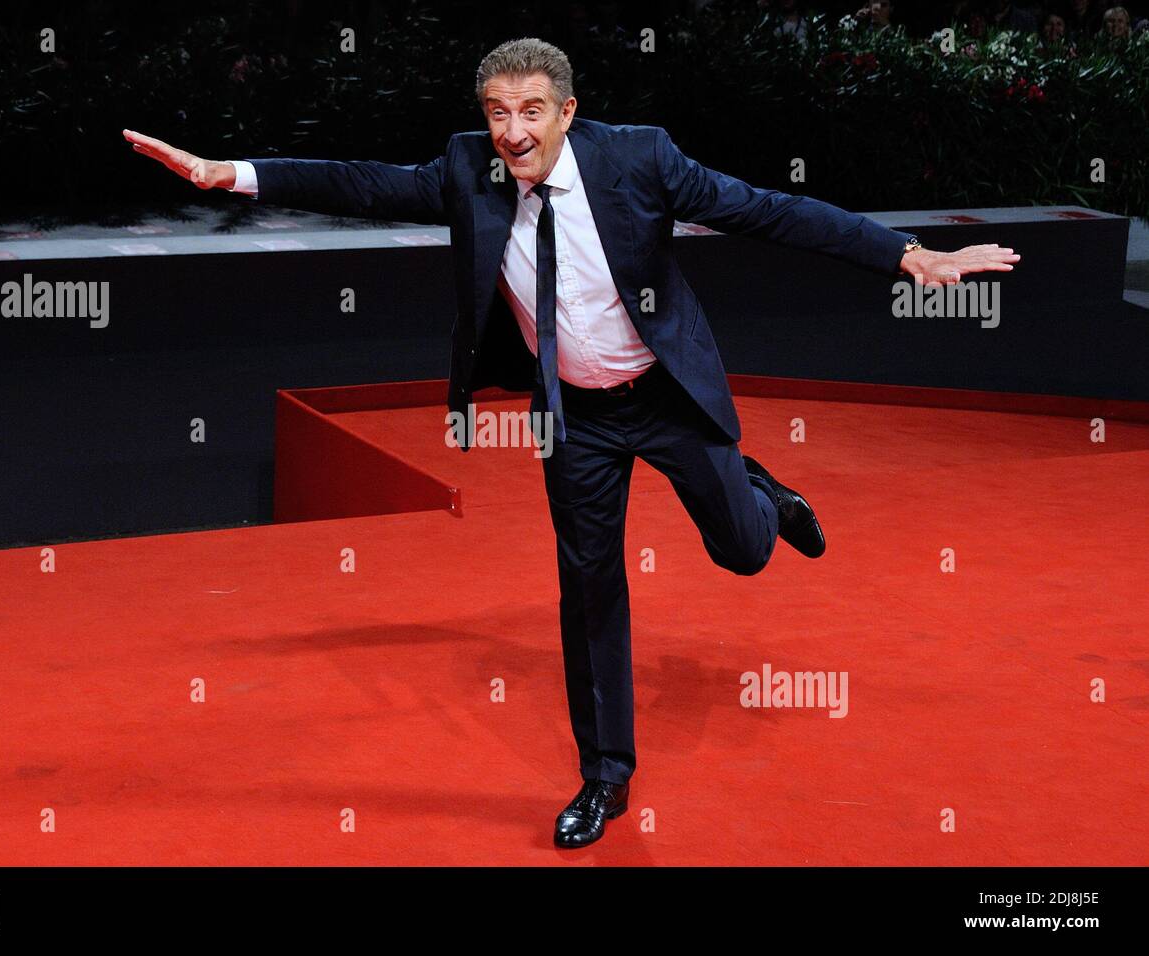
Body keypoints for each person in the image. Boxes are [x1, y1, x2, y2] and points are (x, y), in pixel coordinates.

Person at [124, 37, 1019, 849]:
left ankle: (761, 496)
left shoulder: (641, 159)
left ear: (567, 113)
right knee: (589, 585)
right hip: (577, 415)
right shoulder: (466, 169)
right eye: (497, 113)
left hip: (666, 392)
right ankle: (605, 778)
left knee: (743, 553)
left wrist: (908, 256)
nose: (512, 133)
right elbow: (357, 181)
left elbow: (769, 210)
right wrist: (226, 174)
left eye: (531, 111)